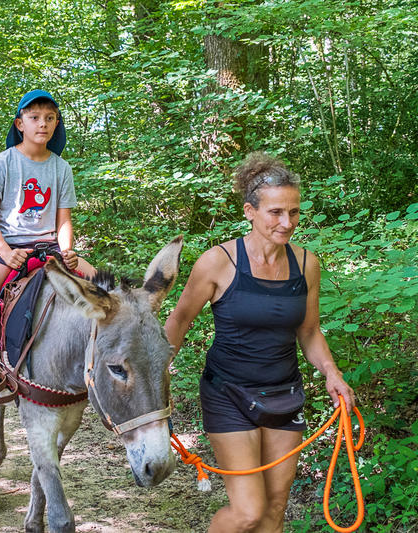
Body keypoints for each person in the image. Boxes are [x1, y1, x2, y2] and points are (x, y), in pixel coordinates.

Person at [163, 152, 357, 533]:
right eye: (276, 212)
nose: (287, 223)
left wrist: (332, 374)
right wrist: (156, 378)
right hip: (229, 394)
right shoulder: (218, 262)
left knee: (274, 509)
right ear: (250, 211)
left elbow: (309, 331)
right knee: (249, 512)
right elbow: (179, 321)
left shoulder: (307, 264)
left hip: (284, 393)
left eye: (294, 212)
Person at [0, 89, 96, 442]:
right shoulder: (4, 161)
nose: (43, 123)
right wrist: (6, 252)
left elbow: (64, 219)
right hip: (8, 247)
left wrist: (68, 250)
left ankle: (132, 395)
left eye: (50, 118)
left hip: (50, 247)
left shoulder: (61, 167)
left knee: (107, 293)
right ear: (20, 123)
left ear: (57, 124)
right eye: (35, 117)